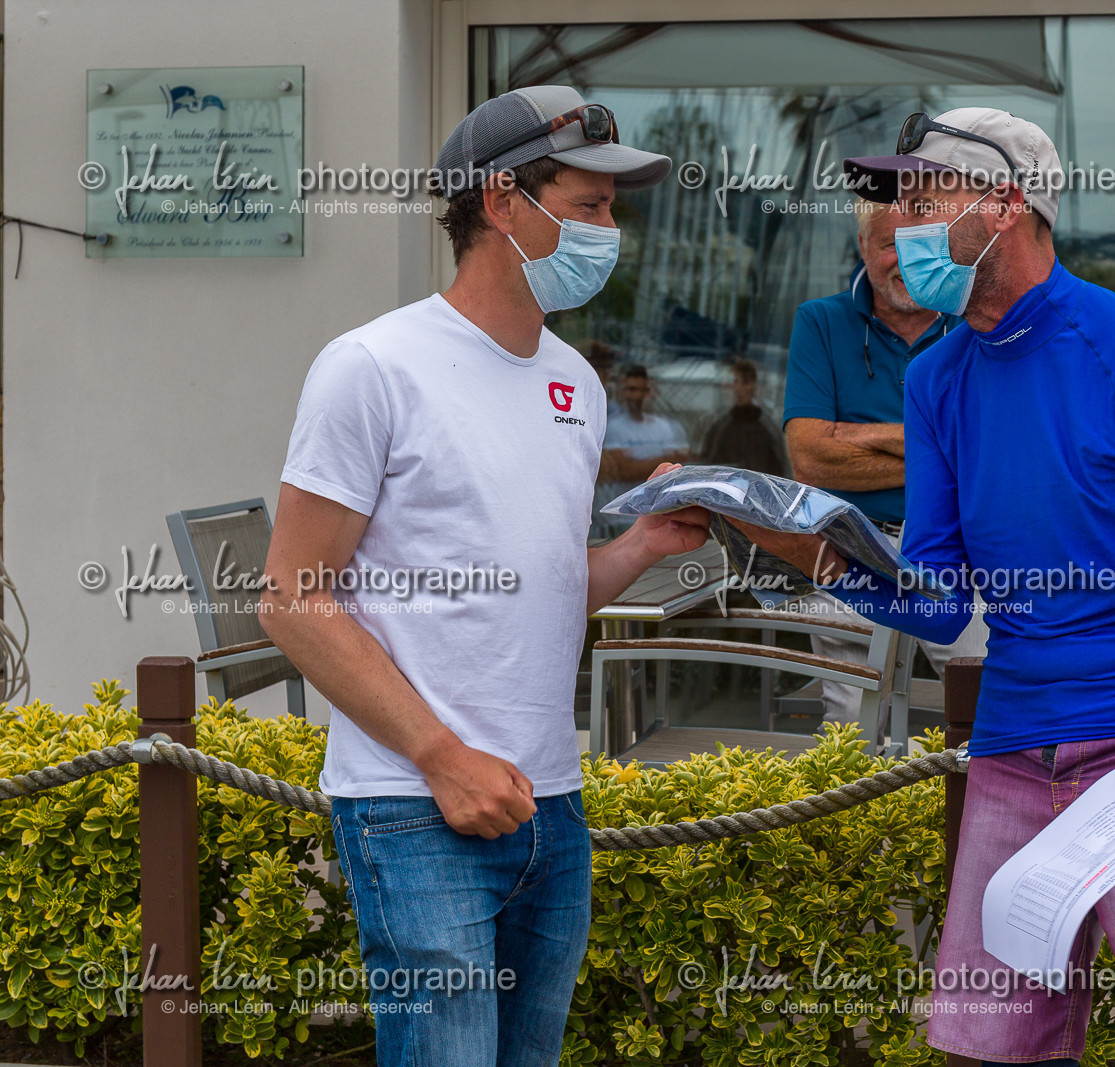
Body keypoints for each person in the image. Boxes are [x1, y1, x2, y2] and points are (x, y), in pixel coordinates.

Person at [737, 108, 1115, 1067]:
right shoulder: (936, 379)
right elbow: (937, 600)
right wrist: (782, 542)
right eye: (898, 198)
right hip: (1013, 749)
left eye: (925, 195)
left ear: (1007, 202)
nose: (902, 222)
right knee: (997, 1054)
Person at [258, 85, 710, 1067]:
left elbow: (538, 587)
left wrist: (635, 552)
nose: (608, 231)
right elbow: (292, 595)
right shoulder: (372, 366)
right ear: (503, 201)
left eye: (611, 209)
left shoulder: (576, 383)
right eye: (588, 206)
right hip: (415, 803)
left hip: (552, 804)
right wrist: (442, 757)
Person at [782, 199, 988, 726]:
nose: (904, 259)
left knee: (987, 699)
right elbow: (809, 458)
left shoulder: (978, 328)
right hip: (851, 543)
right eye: (888, 244)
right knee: (851, 721)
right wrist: (941, 452)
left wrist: (855, 437)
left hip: (959, 548)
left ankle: (985, 809)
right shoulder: (821, 321)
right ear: (862, 248)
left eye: (919, 245)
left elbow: (992, 452)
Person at [594, 364, 692, 535]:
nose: (636, 396)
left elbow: (678, 468)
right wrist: (662, 459)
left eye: (641, 390)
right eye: (631, 390)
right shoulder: (612, 428)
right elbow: (624, 471)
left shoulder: (664, 427)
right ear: (622, 392)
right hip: (620, 520)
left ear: (648, 392)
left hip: (658, 518)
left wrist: (638, 463)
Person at [699, 357, 789, 475]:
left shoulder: (768, 426)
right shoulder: (719, 425)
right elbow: (707, 464)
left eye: (745, 383)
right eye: (735, 382)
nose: (738, 389)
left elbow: (780, 466)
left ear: (754, 386)